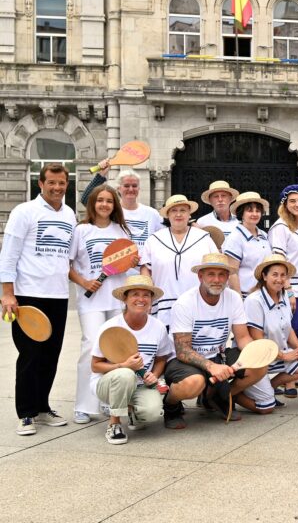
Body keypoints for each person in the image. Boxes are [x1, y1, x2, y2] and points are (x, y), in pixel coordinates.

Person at [1, 164, 76, 436]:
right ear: (40, 184)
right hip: (28, 295)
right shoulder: (24, 212)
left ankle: (43, 407)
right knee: (30, 355)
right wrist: (7, 294)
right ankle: (26, 413)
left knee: (50, 356)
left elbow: (67, 256)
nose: (57, 188)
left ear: (67, 185)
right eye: (52, 183)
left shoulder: (69, 214)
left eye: (62, 183)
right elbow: (8, 254)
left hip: (58, 295)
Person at [161, 253, 267, 428]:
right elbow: (182, 350)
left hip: (219, 356)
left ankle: (216, 396)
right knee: (194, 382)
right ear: (200, 276)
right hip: (184, 360)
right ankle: (170, 406)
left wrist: (256, 353)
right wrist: (212, 367)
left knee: (259, 365)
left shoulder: (233, 298)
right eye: (211, 274)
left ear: (227, 277)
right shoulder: (185, 303)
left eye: (222, 274)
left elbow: (242, 337)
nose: (217, 280)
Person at [68, 184, 137, 424]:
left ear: (114, 205)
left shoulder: (122, 230)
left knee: (114, 350)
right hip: (91, 302)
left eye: (109, 201)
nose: (104, 204)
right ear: (93, 204)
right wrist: (85, 282)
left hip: (117, 300)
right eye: (100, 200)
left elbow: (129, 263)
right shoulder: (82, 230)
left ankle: (110, 402)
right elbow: (68, 265)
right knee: (91, 347)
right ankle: (84, 406)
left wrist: (131, 262)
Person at [90, 275, 172, 444]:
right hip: (109, 384)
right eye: (135, 294)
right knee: (125, 374)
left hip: (141, 385)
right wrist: (123, 365)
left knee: (152, 413)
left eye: (146, 295)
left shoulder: (158, 327)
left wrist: (155, 374)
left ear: (151, 300)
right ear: (125, 299)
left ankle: (133, 414)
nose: (141, 299)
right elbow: (95, 366)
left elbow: (161, 358)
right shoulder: (110, 327)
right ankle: (114, 424)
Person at [243, 254, 298, 406]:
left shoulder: (284, 296)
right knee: (266, 407)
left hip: (277, 354)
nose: (279, 279)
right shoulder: (254, 301)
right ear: (264, 276)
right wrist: (284, 356)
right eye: (274, 274)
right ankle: (234, 394)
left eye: (283, 275)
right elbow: (257, 339)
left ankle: (270, 388)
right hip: (259, 357)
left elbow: (288, 330)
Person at [140, 195, 218, 330]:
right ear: (167, 215)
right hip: (164, 304)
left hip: (198, 302)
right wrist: (147, 297)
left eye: (183, 210)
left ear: (189, 214)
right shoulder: (154, 239)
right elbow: (146, 270)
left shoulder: (204, 237)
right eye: (174, 210)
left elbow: (216, 267)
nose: (178, 214)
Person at [80, 162, 162, 275]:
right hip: (118, 274)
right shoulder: (112, 211)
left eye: (134, 186)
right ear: (119, 189)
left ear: (139, 188)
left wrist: (191, 224)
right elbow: (86, 200)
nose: (131, 189)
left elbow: (168, 231)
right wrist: (101, 175)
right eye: (126, 186)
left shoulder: (152, 214)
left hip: (145, 273)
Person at [269, 184, 298, 341]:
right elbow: (279, 261)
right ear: (285, 204)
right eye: (292, 201)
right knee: (292, 332)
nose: (297, 204)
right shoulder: (280, 227)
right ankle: (293, 364)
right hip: (292, 289)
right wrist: (288, 291)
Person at [221, 192, 271, 297]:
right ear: (241, 213)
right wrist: (238, 299)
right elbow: (232, 273)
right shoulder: (235, 238)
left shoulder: (265, 236)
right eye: (249, 210)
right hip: (246, 296)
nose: (254, 214)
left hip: (265, 295)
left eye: (258, 210)